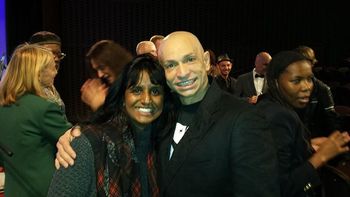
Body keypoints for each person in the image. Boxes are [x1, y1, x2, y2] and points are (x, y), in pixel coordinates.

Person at [54, 31, 280, 197]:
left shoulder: (243, 118)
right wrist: (78, 134)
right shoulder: (162, 113)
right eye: (171, 65)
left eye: (189, 60)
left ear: (205, 61)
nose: (182, 72)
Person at [48, 54, 174, 196]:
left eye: (155, 91)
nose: (146, 99)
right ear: (122, 98)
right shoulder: (88, 143)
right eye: (137, 90)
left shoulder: (163, 141)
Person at [257, 50, 350, 197]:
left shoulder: (271, 106)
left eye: (309, 79)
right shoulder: (280, 116)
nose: (307, 87)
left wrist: (307, 145)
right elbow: (281, 187)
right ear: (275, 81)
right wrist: (322, 156)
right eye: (296, 80)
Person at [0, 44, 72, 197]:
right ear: (38, 73)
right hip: (46, 191)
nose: (55, 72)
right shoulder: (43, 108)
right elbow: (76, 144)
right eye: (52, 68)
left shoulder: (3, 107)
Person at [294, 46, 339, 137]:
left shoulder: (322, 89)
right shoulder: (285, 86)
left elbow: (331, 122)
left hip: (310, 141)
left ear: (311, 64)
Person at [80, 40, 133, 112]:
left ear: (114, 61)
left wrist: (98, 105)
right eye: (96, 70)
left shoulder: (135, 81)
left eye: (102, 68)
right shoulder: (114, 88)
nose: (100, 75)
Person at [28, 31, 67, 115]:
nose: (56, 59)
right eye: (50, 54)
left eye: (59, 55)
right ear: (33, 56)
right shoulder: (27, 88)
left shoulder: (49, 86)